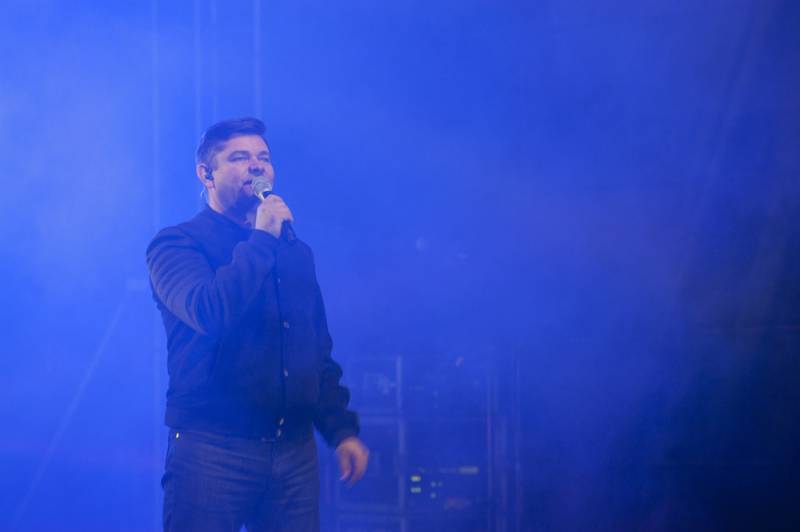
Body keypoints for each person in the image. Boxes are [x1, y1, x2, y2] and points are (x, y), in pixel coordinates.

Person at [146, 117, 368, 531]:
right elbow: (210, 312)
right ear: (206, 174)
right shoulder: (177, 244)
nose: (256, 165)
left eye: (263, 157)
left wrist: (341, 430)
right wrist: (262, 238)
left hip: (293, 455)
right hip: (213, 451)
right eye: (239, 157)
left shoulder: (294, 251)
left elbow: (314, 350)